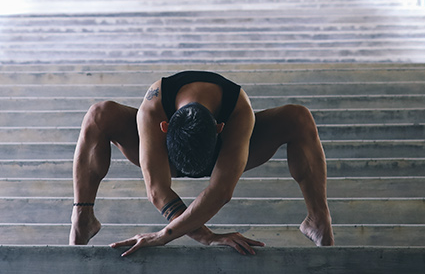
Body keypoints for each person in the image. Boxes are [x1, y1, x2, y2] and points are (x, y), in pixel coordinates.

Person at [69, 69, 334, 255]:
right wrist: (207, 236)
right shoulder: (153, 107)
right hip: (167, 155)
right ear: (164, 127)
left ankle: (318, 220)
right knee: (98, 114)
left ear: (221, 128)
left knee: (298, 117)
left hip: (222, 154)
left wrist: (162, 236)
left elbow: (220, 191)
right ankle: (83, 217)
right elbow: (157, 191)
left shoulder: (239, 112)